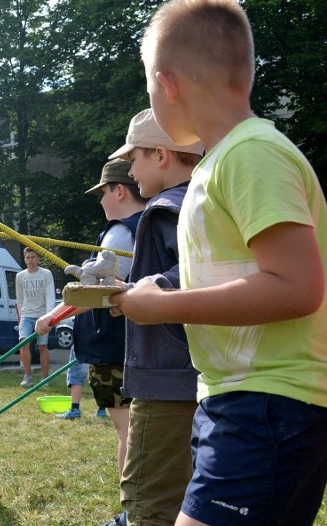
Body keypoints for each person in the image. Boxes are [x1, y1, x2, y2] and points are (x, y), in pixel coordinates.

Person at [110, 0, 327, 526]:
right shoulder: (218, 164)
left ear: (167, 85)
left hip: (270, 405)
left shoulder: (252, 154)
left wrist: (164, 306)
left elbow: (298, 286)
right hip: (236, 400)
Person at [99, 110, 203, 526]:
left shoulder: (166, 208)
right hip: (197, 374)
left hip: (166, 378)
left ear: (161, 155)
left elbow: (194, 274)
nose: (130, 172)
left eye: (134, 160)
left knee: (147, 502)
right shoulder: (200, 201)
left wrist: (151, 287)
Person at [36, 159, 146, 477]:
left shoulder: (120, 233)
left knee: (128, 434)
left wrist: (53, 316)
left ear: (120, 191)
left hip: (115, 351)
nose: (100, 201)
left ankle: (132, 511)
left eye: (103, 192)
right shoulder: (145, 226)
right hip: (134, 345)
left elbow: (100, 293)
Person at [15, 247, 56, 387]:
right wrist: (21, 314)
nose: (30, 260)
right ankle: (27, 376)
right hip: (26, 314)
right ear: (25, 259)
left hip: (42, 315)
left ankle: (45, 378)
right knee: (23, 343)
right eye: (27, 257)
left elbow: (50, 295)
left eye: (33, 257)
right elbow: (19, 298)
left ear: (38, 259)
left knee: (42, 346)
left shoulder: (46, 274)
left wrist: (49, 316)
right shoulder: (20, 276)